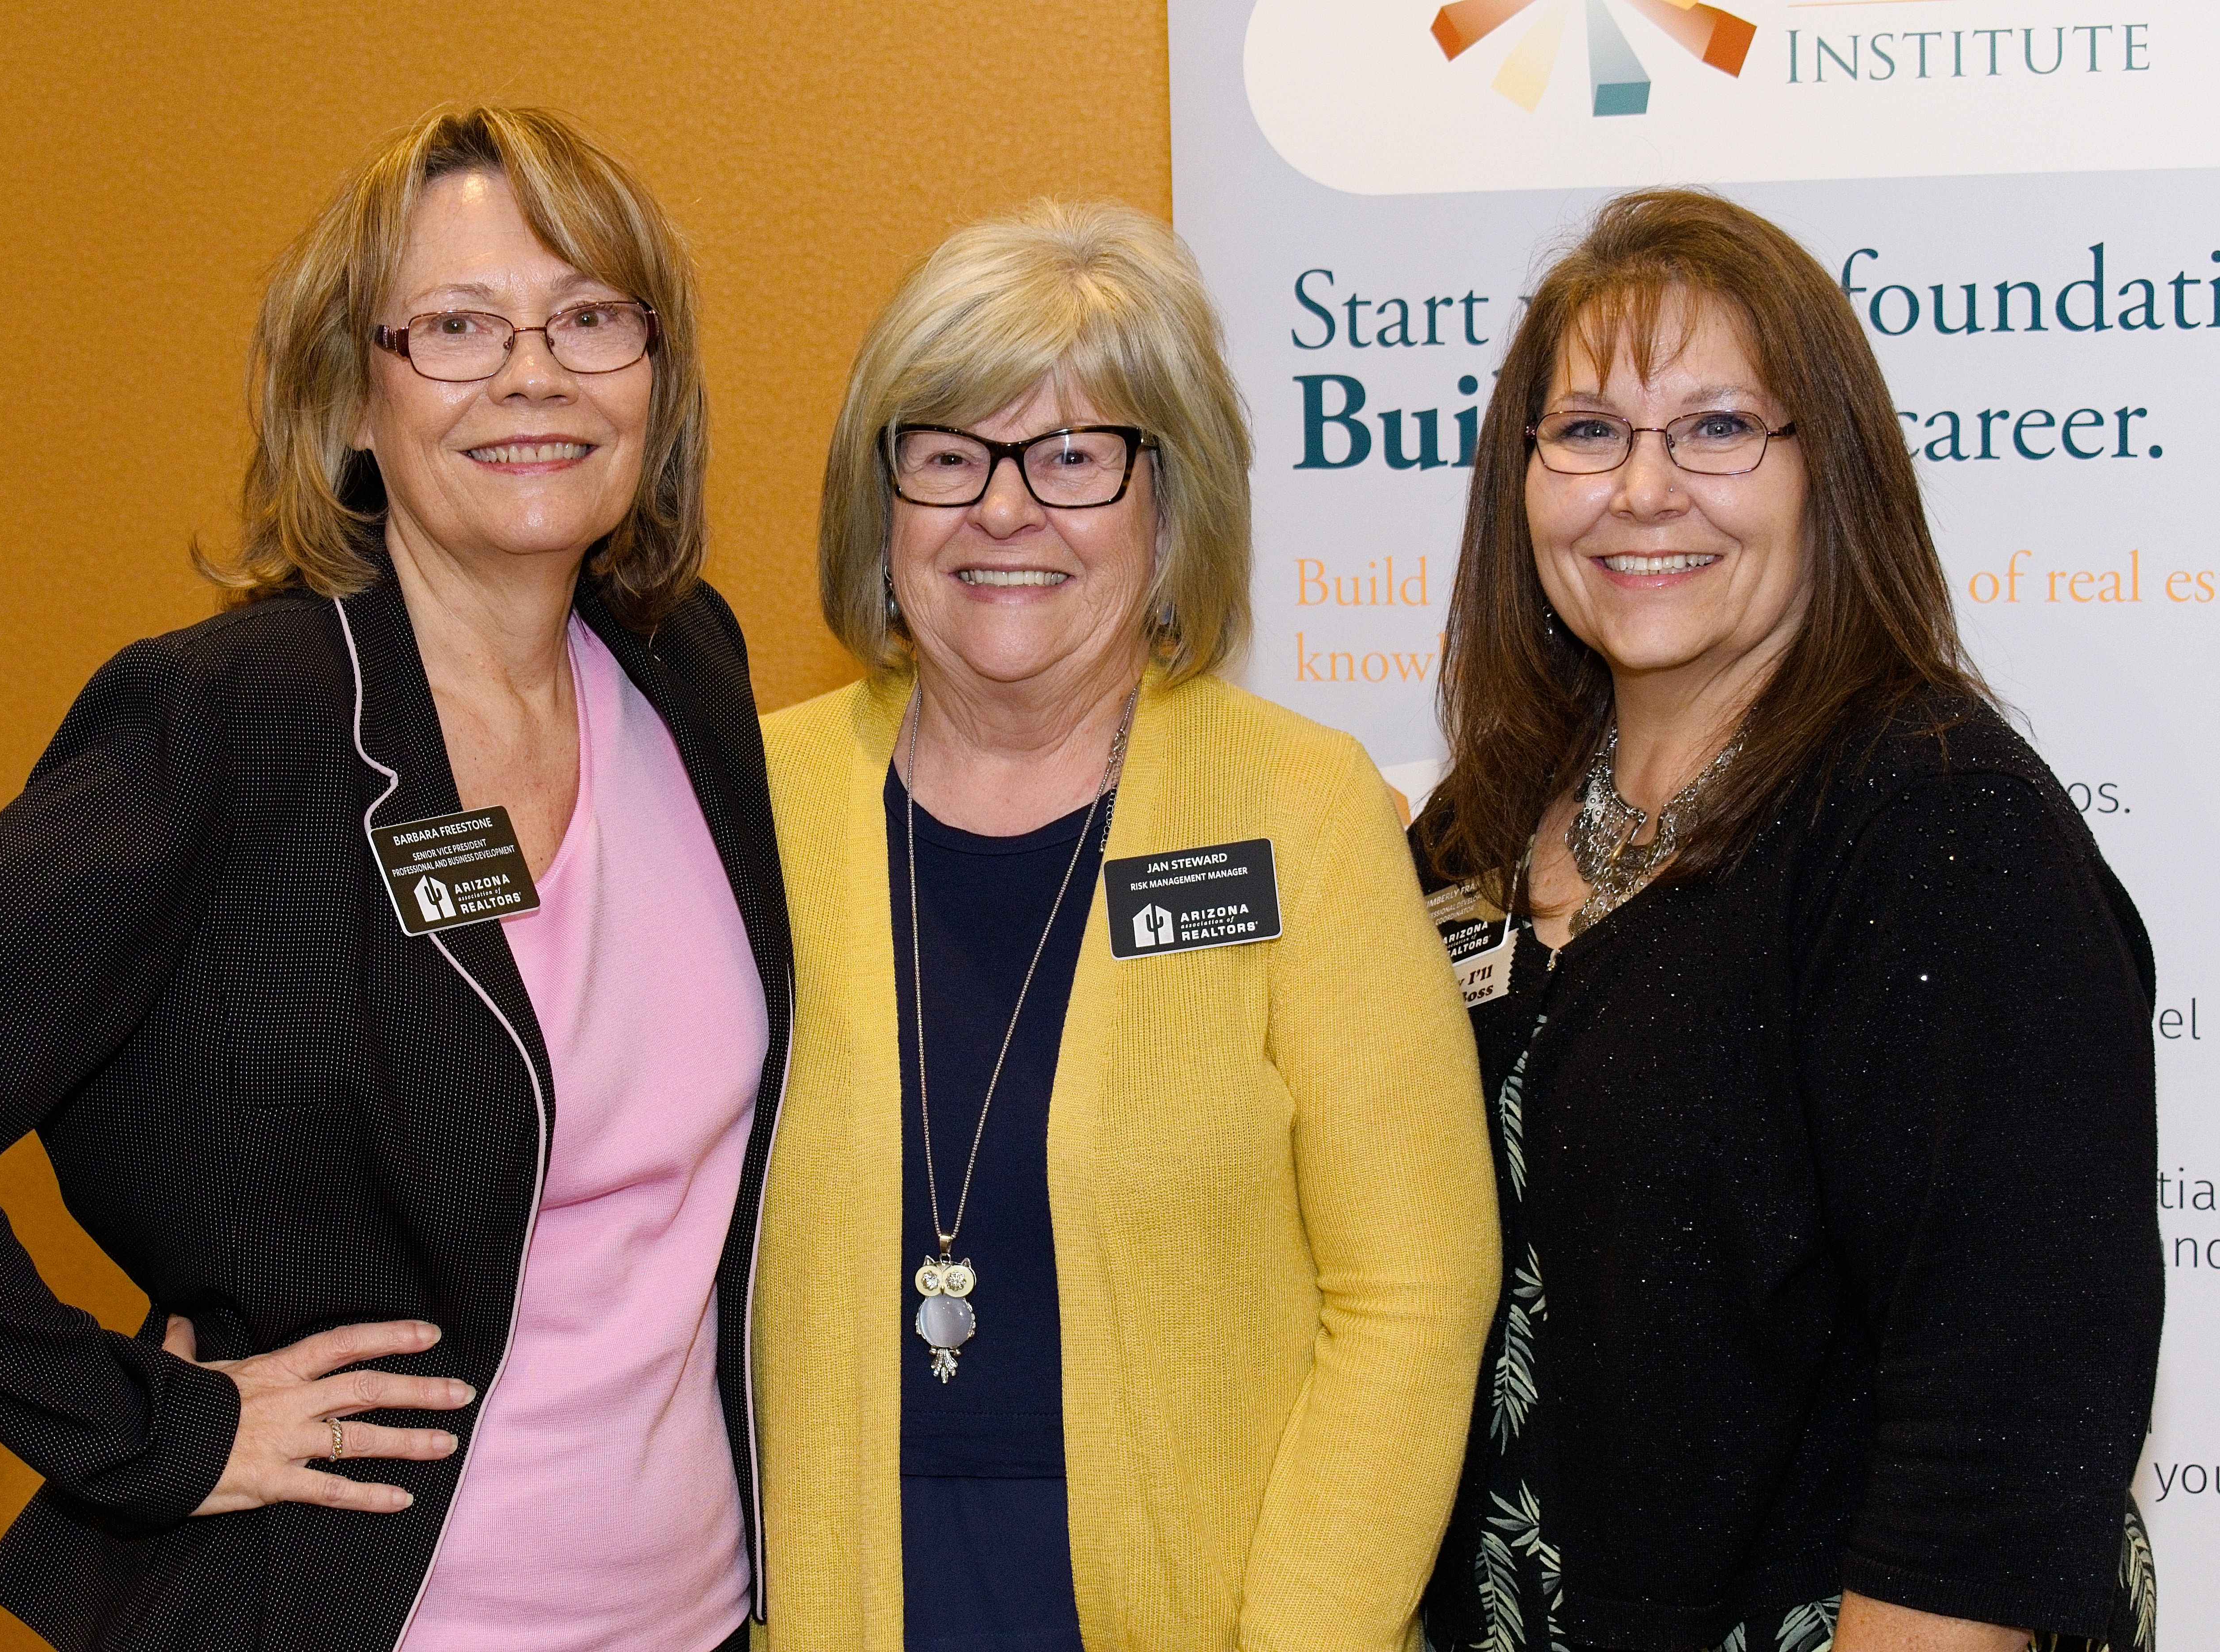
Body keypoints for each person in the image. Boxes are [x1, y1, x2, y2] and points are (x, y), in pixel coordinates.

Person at [0, 107, 786, 1652]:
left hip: (698, 1614)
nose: (534, 374)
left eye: (589, 318)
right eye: (456, 327)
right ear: (351, 397)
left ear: (654, 374)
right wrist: (144, 1427)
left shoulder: (684, 667)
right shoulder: (237, 719)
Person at [1411, 189, 2160, 1652]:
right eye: (1588, 432)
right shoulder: (1474, 828)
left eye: (1717, 428)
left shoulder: (1936, 823)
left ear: (1834, 471)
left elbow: (2008, 1418)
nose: (1643, 490)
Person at [750, 199, 1499, 1652]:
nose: (1004, 510)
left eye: (1075, 457)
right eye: (947, 454)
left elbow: (1415, 1288)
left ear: (1173, 503)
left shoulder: (1299, 808)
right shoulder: (746, 800)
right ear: (878, 501)